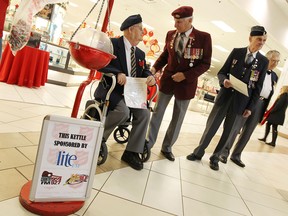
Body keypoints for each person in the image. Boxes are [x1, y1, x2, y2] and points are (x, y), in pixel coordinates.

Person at [186, 25, 269, 171]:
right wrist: (224, 81)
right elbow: (222, 72)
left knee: (229, 131)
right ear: (250, 38)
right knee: (211, 127)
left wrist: (250, 108)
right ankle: (198, 152)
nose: (261, 43)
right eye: (259, 39)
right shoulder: (237, 52)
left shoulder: (263, 61)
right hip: (225, 97)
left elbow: (258, 87)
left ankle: (216, 157)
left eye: (264, 40)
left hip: (241, 103)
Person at [146, 6, 212, 161]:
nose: (175, 25)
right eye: (175, 21)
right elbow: (165, 55)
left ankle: (167, 147)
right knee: (157, 112)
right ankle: (148, 143)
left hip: (186, 84)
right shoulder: (171, 34)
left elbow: (205, 64)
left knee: (177, 118)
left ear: (190, 21)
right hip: (168, 81)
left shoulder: (204, 37)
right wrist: (155, 68)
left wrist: (185, 75)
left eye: (179, 22)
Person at [94, 14, 156, 170]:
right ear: (131, 29)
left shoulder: (140, 54)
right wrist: (117, 73)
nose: (143, 32)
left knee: (144, 114)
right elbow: (100, 63)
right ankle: (98, 139)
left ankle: (131, 152)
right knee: (123, 111)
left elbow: (145, 70)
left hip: (132, 93)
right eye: (140, 29)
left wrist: (150, 77)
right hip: (112, 89)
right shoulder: (112, 44)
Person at [219, 50, 280, 168]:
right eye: (273, 60)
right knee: (236, 128)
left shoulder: (274, 76)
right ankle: (224, 153)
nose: (275, 63)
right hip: (249, 100)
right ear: (266, 59)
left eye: (277, 61)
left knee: (248, 132)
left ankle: (236, 155)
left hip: (261, 104)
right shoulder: (256, 68)